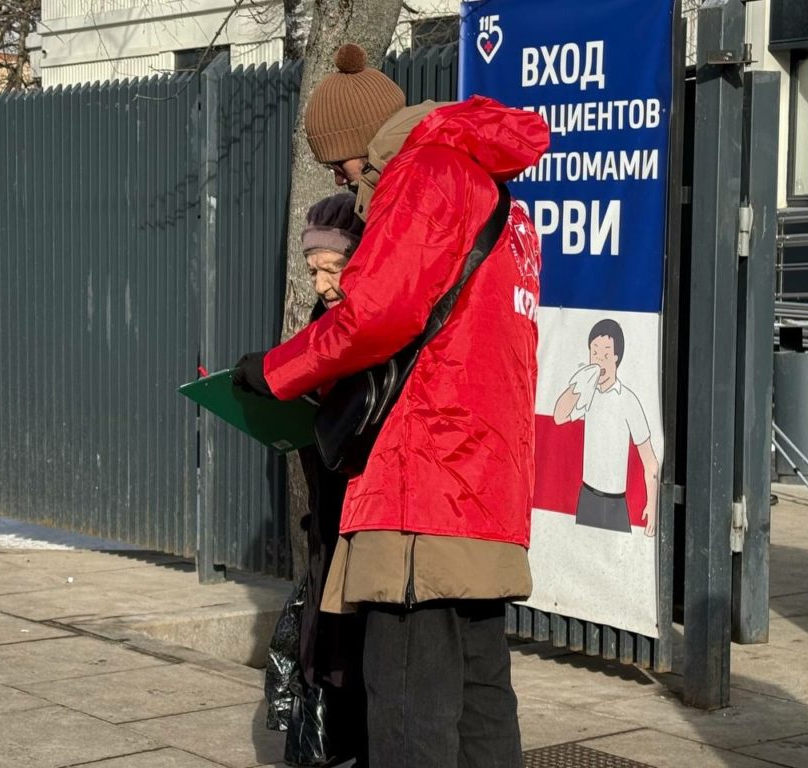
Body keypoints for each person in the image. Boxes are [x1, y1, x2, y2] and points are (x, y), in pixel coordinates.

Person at [235, 43, 550, 767]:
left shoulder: (425, 173)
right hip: (485, 484)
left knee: (409, 705)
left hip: (422, 483)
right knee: (480, 695)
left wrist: (276, 372)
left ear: (365, 142)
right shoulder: (494, 192)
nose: (340, 178)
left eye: (339, 162)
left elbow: (374, 316)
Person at [295, 193, 369, 765]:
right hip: (328, 503)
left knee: (358, 632)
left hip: (360, 502)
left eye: (333, 269)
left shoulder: (373, 323)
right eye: (313, 271)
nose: (321, 285)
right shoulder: (325, 317)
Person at [552, 318, 659, 535]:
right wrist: (579, 383)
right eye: (595, 353)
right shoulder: (587, 393)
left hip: (616, 503)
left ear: (617, 357)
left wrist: (652, 505)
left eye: (605, 354)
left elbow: (650, 461)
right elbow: (559, 416)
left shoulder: (628, 400)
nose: (599, 360)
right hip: (587, 497)